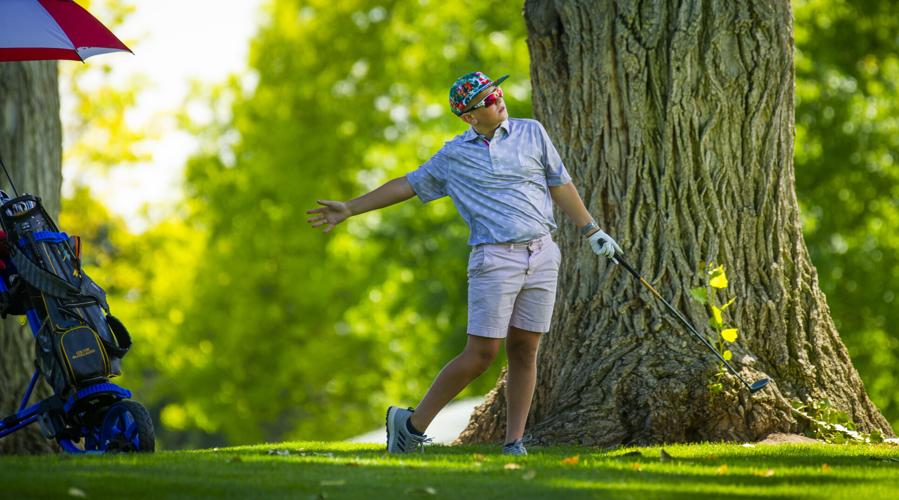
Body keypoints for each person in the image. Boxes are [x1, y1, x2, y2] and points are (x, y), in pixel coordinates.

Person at [306, 71, 620, 455]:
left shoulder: (532, 132)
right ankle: (411, 425)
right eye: (487, 100)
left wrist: (592, 231)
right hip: (494, 258)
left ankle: (514, 443)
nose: (498, 99)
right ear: (469, 116)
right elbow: (408, 184)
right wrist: (351, 208)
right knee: (481, 354)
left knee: (525, 348)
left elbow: (559, 184)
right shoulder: (454, 156)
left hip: (542, 253)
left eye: (497, 91)